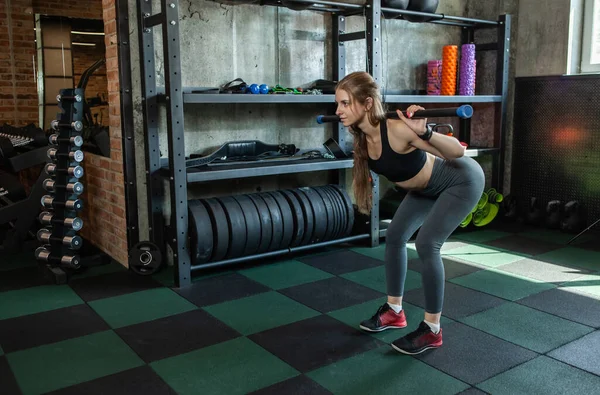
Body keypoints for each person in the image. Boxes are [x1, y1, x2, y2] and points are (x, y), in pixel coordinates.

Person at [334, 71, 484, 355]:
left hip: (460, 180)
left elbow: (457, 153)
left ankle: (432, 330)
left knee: (427, 244)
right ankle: (394, 311)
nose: (338, 111)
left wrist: (424, 131)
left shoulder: (396, 129)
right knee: (395, 236)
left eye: (344, 103)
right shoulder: (363, 139)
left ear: (366, 104)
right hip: (425, 188)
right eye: (338, 105)